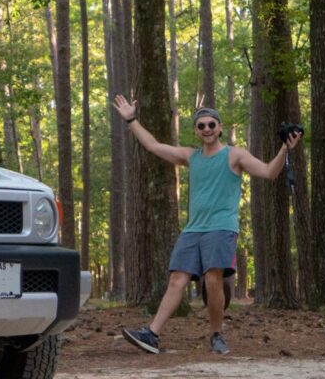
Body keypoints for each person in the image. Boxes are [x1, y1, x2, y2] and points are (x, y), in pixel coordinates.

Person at [112, 95, 302, 355]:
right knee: (177, 279)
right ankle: (152, 334)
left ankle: (216, 334)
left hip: (222, 227)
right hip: (192, 230)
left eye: (211, 124)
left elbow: (269, 173)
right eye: (201, 126)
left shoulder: (235, 155)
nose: (207, 129)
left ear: (220, 127)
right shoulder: (191, 157)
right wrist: (131, 119)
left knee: (213, 278)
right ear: (196, 131)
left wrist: (284, 149)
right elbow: (154, 146)